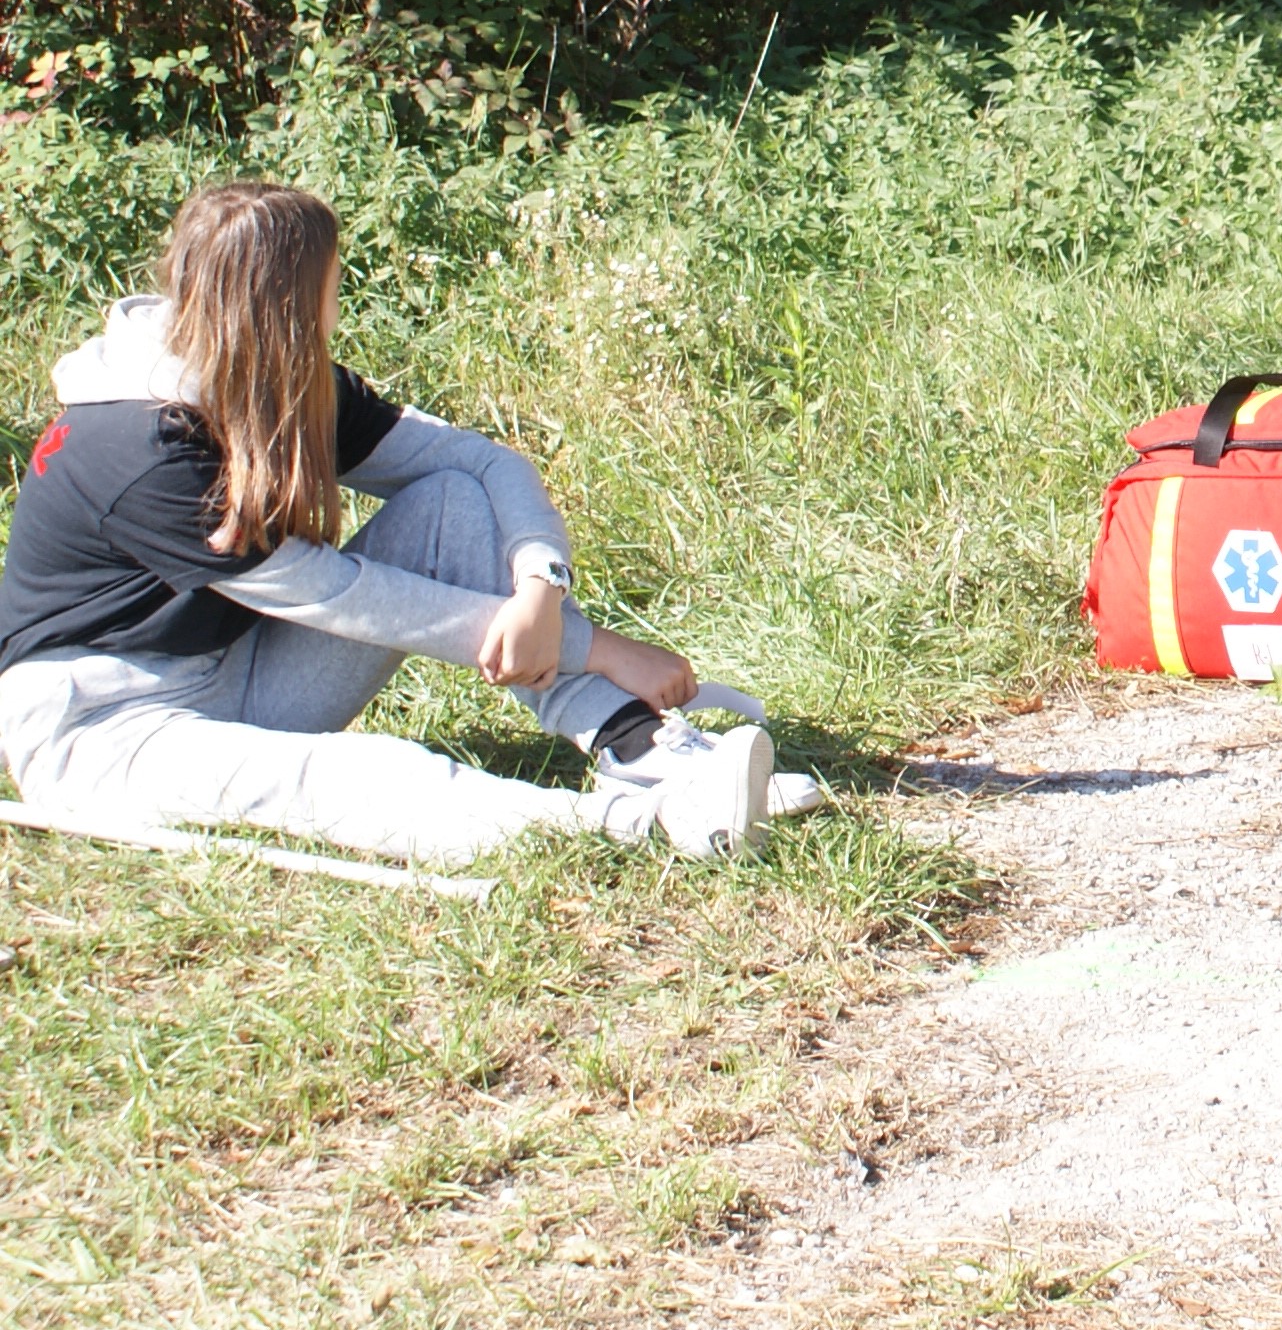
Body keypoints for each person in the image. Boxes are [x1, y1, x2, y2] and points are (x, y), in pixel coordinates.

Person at [0, 181, 787, 867]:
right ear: (290, 301)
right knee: (355, 776)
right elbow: (345, 599)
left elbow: (481, 464)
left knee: (449, 500)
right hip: (97, 730)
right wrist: (604, 648)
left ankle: (643, 750)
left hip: (230, 670)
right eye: (333, 283)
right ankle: (657, 822)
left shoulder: (269, 374)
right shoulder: (141, 449)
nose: (337, 302)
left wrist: (542, 584)